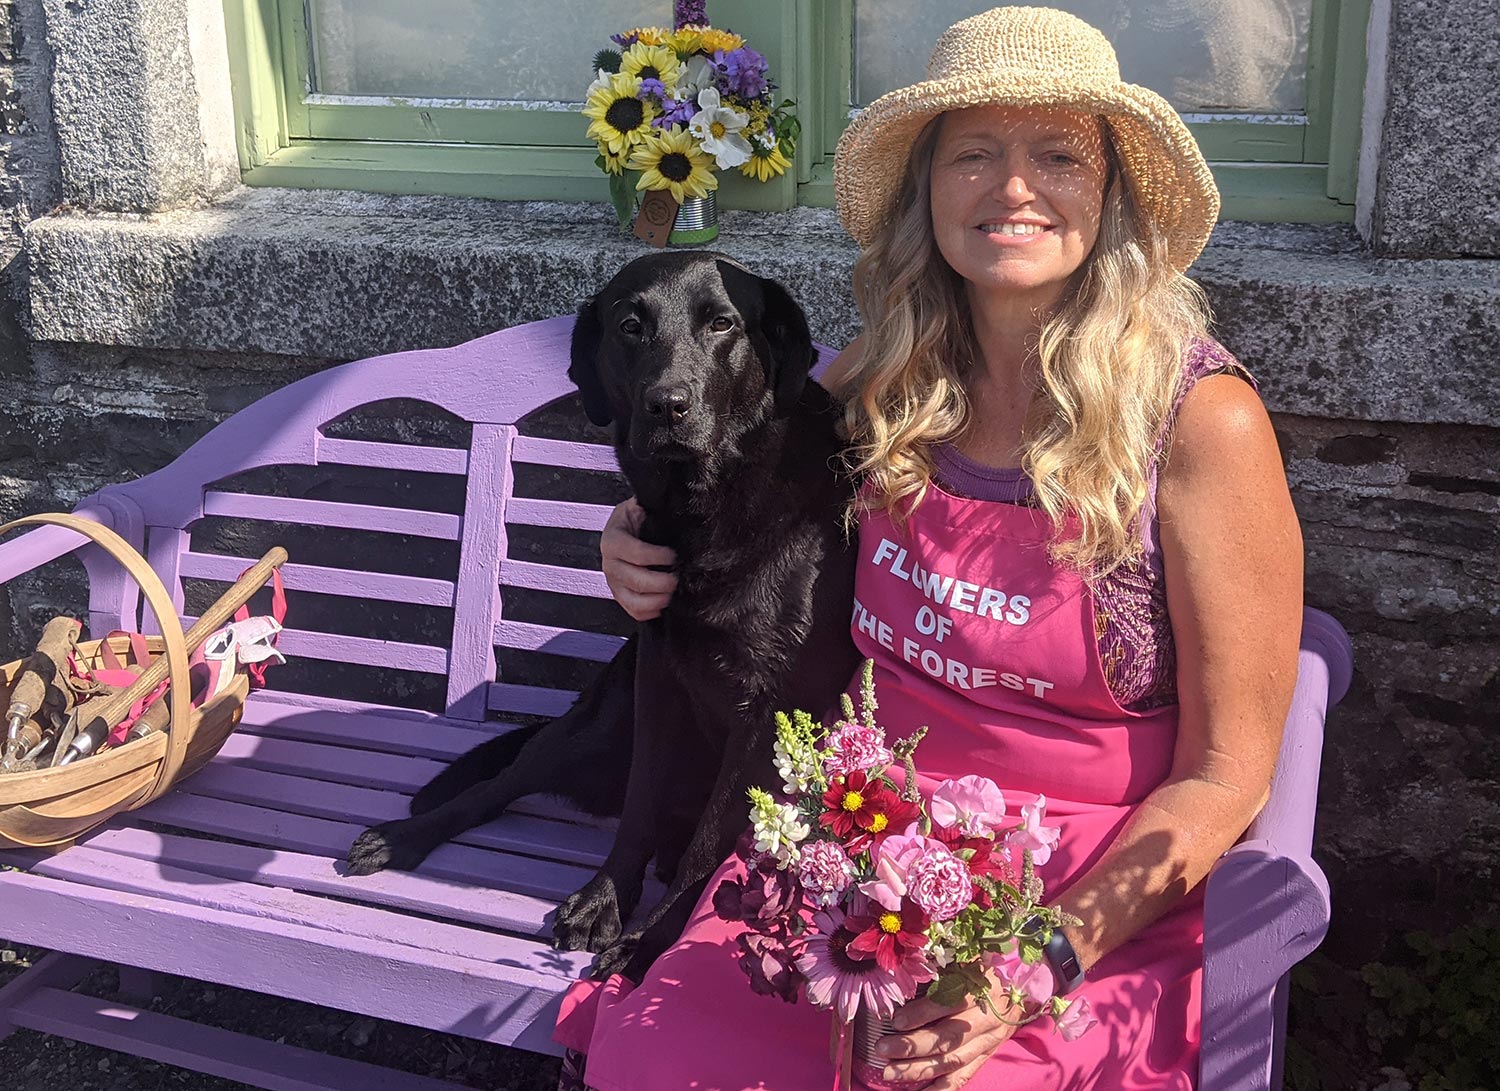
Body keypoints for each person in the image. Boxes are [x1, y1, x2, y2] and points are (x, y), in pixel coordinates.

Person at [554, 7, 1303, 1089]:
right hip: (851, 858)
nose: (1012, 188)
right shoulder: (884, 374)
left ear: (1112, 194)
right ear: (926, 192)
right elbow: (726, 480)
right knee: (659, 1053)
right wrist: (629, 538)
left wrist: (1028, 963)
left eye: (1057, 155)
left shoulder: (1201, 423)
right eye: (974, 155)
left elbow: (1229, 777)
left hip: (1081, 899)